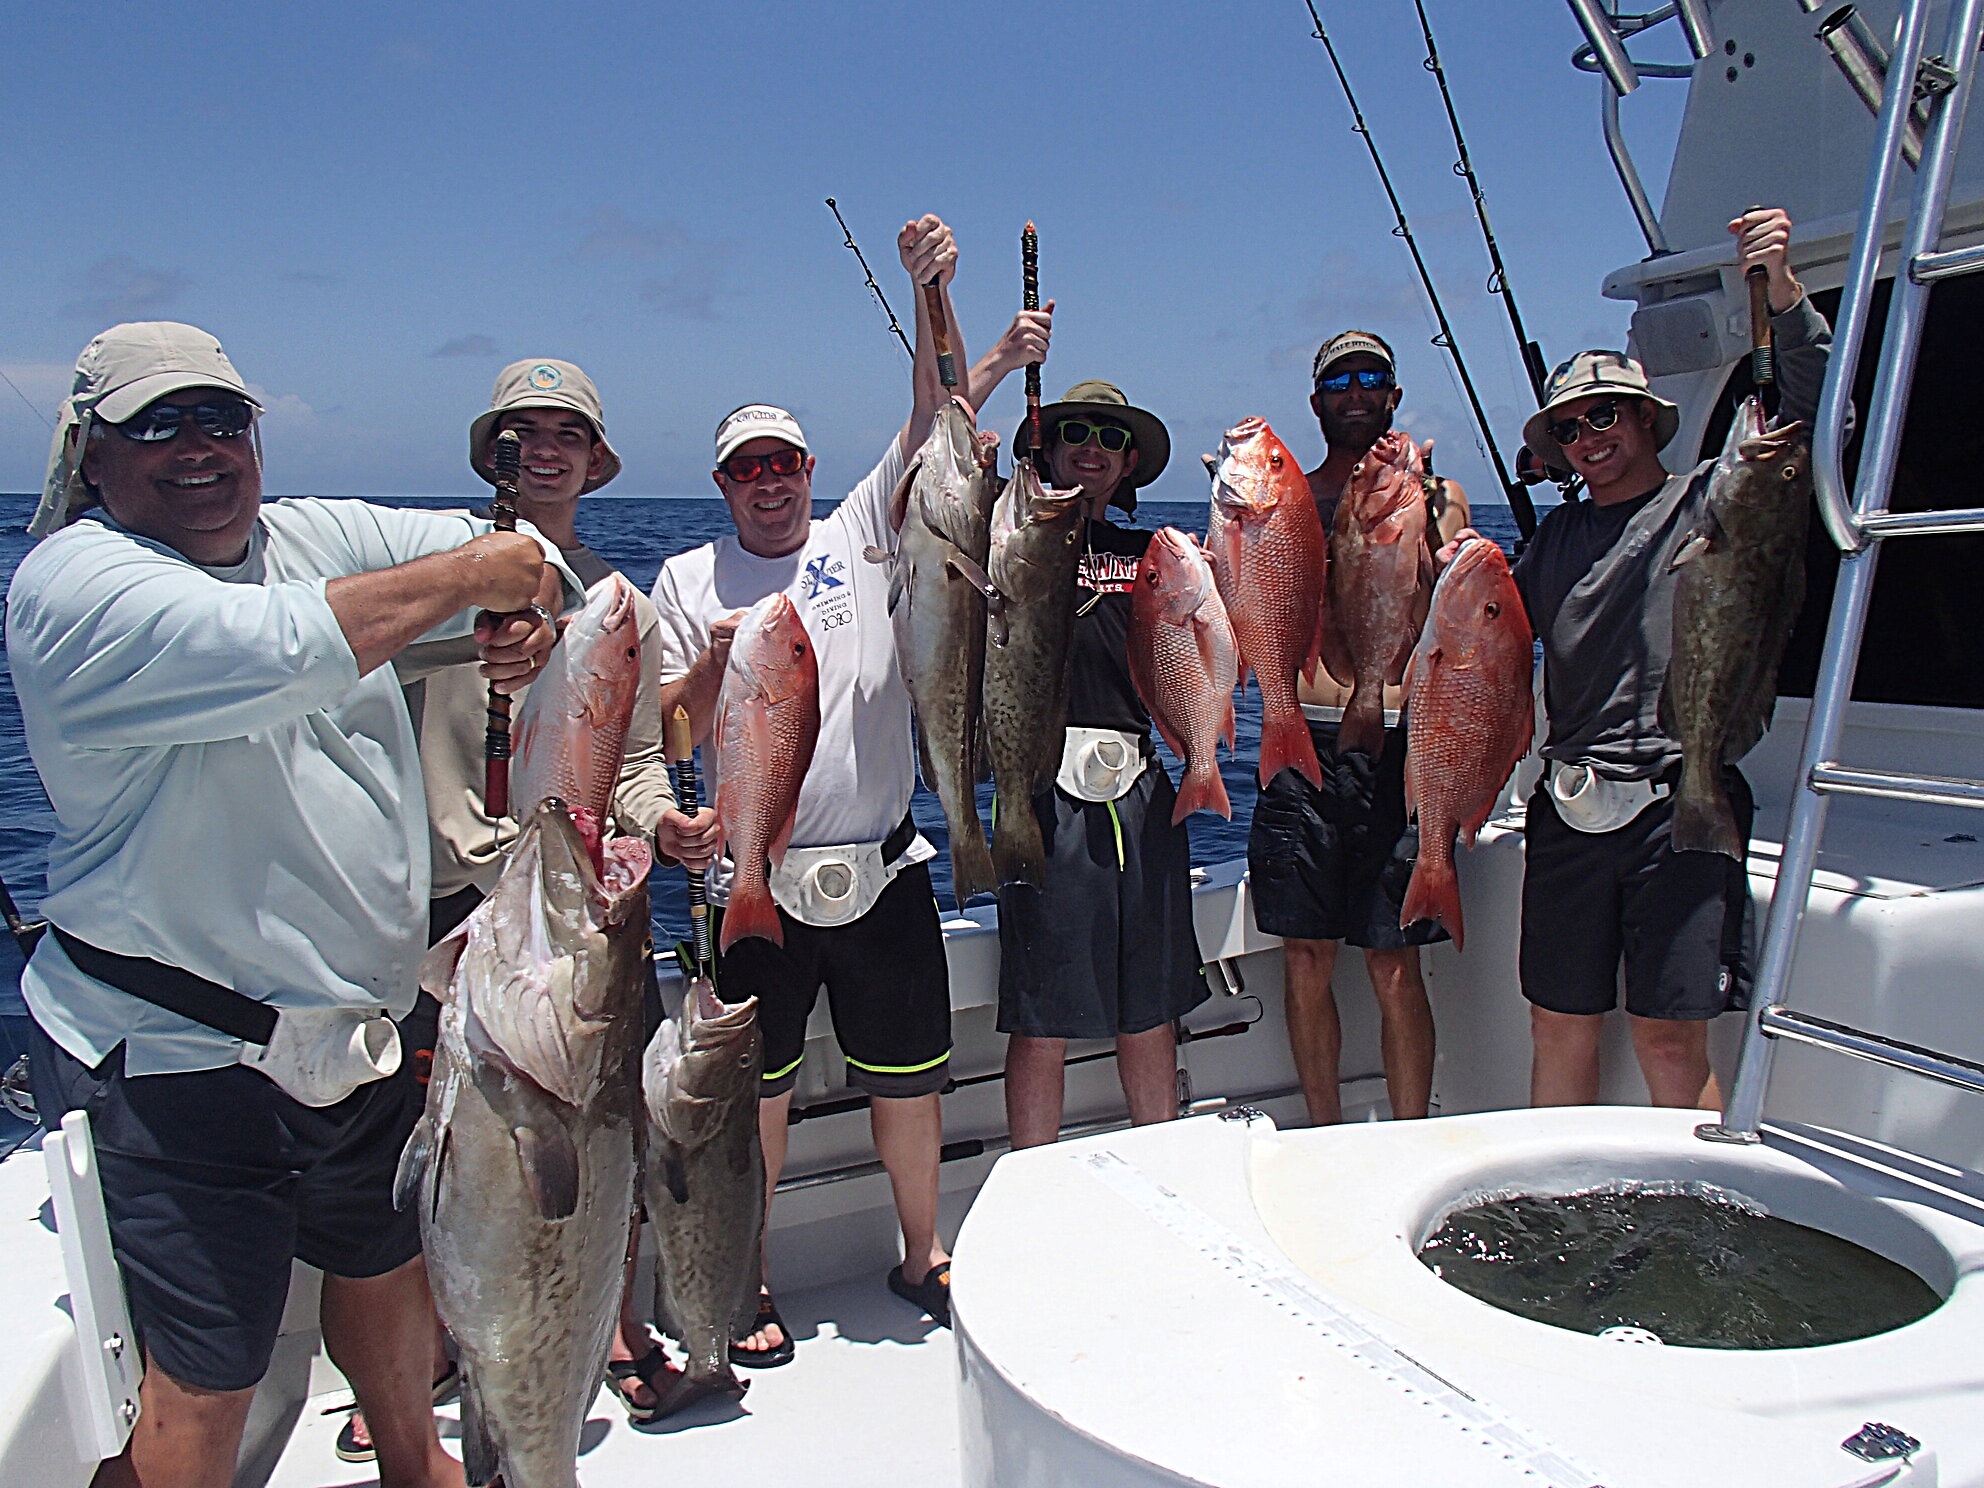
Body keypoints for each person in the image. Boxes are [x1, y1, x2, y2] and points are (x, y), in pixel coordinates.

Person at [10, 321, 577, 1488]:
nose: (197, 448)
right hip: (173, 1057)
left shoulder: (310, 535)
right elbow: (278, 644)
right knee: (206, 1379)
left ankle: (419, 1473)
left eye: (221, 419)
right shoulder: (74, 585)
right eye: (154, 426)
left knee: (382, 1272)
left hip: (347, 1038)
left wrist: (522, 617)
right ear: (90, 457)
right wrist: (471, 590)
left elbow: (528, 555)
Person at [651, 215, 1046, 1360]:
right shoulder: (685, 579)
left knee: (908, 1085)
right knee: (755, 1101)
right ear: (721, 483)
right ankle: (753, 1278)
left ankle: (921, 1252)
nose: (768, 484)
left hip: (881, 869)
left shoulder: (858, 534)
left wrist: (933, 291)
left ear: (812, 474)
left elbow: (936, 415)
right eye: (746, 470)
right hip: (752, 879)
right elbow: (669, 727)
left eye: (784, 464)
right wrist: (713, 664)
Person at [349, 360, 722, 1441]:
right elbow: (343, 666)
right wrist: (478, 621)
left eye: (568, 434)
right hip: (445, 904)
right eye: (523, 436)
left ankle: (600, 1326)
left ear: (596, 462)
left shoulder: (618, 604)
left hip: (577, 915)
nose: (546, 451)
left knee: (605, 1135)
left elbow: (640, 756)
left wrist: (664, 825)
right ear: (493, 457)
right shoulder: (430, 573)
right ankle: (434, 1349)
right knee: (441, 1142)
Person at [1442, 207, 1830, 1109]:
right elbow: (1476, 639)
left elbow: (1810, 412)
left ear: (1650, 423)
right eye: (1572, 430)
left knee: (1666, 1037)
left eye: (1608, 416)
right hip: (1572, 809)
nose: (1592, 438)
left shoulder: (1713, 502)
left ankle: (1697, 1217)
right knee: (1557, 1023)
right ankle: (1560, 1210)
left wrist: (1784, 293)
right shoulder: (1550, 547)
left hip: (1679, 800)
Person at [1246, 331, 1471, 1126]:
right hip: (1300, 740)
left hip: (1398, 742)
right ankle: (1322, 1130)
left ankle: (1408, 1136)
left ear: (1393, 397)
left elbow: (1454, 614)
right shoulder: (1290, 501)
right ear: (1317, 402)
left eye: (1371, 377)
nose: (1355, 391)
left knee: (1394, 962)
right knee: (1306, 955)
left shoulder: (1436, 498)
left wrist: (1441, 541)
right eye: (1339, 380)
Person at [998, 380, 1210, 1149]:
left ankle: (1158, 1164)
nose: (1091, 447)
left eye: (1110, 439)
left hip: (1142, 790)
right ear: (1046, 449)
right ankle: (1033, 1179)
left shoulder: (1156, 558)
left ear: (1129, 468)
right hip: (1042, 788)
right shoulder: (1013, 538)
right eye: (1074, 432)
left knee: (1150, 1003)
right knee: (1042, 1011)